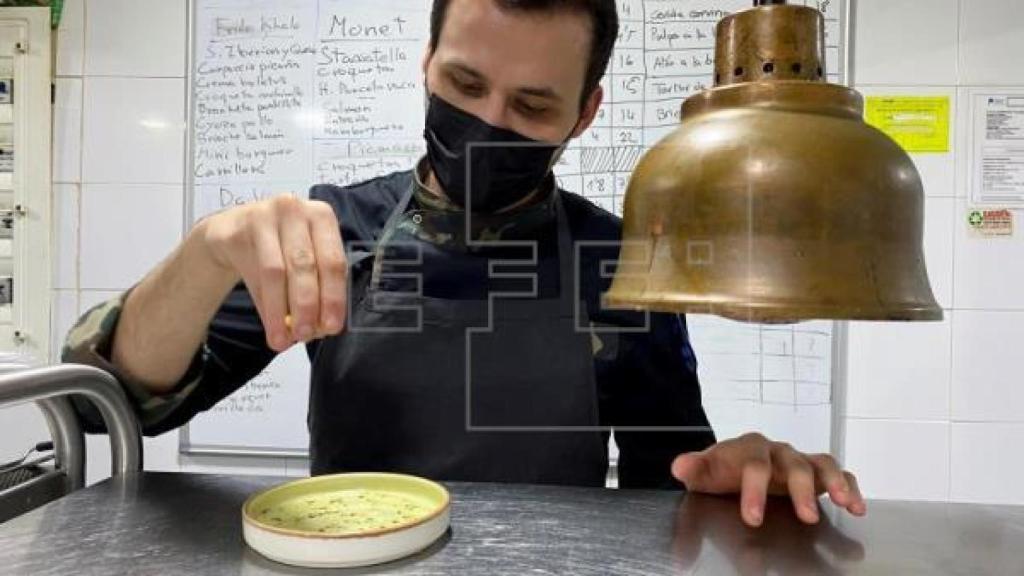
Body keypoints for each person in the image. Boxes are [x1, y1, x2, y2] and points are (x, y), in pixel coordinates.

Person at [63, 0, 865, 528]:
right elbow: (122, 408)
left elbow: (675, 479)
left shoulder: (618, 261)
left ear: (586, 112)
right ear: (426, 63)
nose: (487, 122)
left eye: (532, 106)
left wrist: (741, 476)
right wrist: (205, 254)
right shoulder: (333, 229)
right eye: (465, 83)